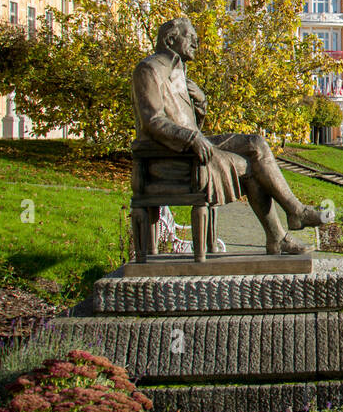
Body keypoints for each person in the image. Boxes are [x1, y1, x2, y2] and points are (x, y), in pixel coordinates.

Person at [132, 17, 328, 255]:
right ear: (171, 39)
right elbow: (152, 121)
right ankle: (281, 233)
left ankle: (294, 213)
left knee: (256, 144)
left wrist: (201, 104)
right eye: (190, 37)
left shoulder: (179, 72)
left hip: (190, 147)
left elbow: (191, 124)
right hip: (170, 156)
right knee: (251, 169)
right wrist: (191, 138)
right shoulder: (150, 70)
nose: (196, 43)